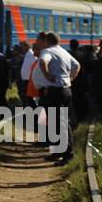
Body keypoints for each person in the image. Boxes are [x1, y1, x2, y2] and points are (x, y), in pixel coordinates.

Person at [37, 31, 78, 163]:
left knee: (60, 124)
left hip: (55, 91)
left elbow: (43, 61)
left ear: (46, 41)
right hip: (66, 90)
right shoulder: (63, 51)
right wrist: (71, 78)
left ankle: (68, 153)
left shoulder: (47, 51)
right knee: (58, 123)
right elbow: (76, 65)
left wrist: (48, 75)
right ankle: (57, 151)